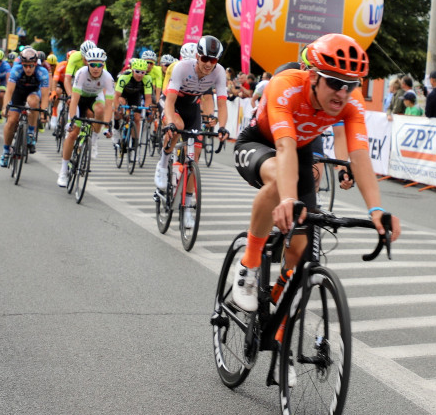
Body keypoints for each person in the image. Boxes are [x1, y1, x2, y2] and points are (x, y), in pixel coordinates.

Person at [231, 33, 401, 313]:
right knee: (279, 185)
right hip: (260, 142)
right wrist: (287, 199)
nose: (342, 93)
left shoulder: (351, 101)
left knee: (299, 249)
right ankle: (249, 264)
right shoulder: (285, 86)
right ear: (312, 77)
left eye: (351, 85)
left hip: (298, 150)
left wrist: (376, 210)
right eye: (334, 83)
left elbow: (359, 156)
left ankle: (277, 300)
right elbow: (284, 147)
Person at [155, 36, 230, 230]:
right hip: (172, 103)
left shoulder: (219, 73)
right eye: (204, 58)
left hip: (192, 108)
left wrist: (222, 127)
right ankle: (163, 164)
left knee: (194, 158)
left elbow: (221, 103)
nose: (208, 64)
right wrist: (170, 122)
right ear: (197, 56)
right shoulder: (182, 68)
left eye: (213, 60)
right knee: (177, 126)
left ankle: (187, 207)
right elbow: (170, 102)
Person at [57, 47, 115, 187]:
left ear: (103, 65)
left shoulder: (108, 77)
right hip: (80, 98)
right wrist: (71, 121)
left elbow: (108, 105)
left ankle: (93, 141)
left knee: (99, 110)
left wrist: (107, 125)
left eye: (99, 65)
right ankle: (63, 171)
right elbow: (75, 100)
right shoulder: (81, 73)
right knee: (72, 134)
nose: (96, 68)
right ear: (87, 63)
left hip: (95, 98)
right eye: (92, 64)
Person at [0, 48, 49, 166]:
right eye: (25, 65)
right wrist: (4, 107)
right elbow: (9, 91)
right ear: (22, 64)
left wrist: (43, 113)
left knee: (33, 102)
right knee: (11, 121)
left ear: (35, 64)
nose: (28, 69)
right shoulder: (16, 70)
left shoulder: (42, 72)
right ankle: (6, 151)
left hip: (33, 93)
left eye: (31, 66)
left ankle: (31, 132)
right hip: (18, 93)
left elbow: (45, 95)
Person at [113, 58, 153, 151]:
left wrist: (148, 111)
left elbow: (148, 98)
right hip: (123, 94)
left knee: (137, 118)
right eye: (137, 72)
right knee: (120, 106)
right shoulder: (124, 77)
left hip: (135, 95)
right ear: (132, 70)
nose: (140, 75)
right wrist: (117, 109)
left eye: (143, 72)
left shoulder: (147, 79)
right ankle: (116, 128)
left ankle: (135, 142)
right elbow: (116, 96)